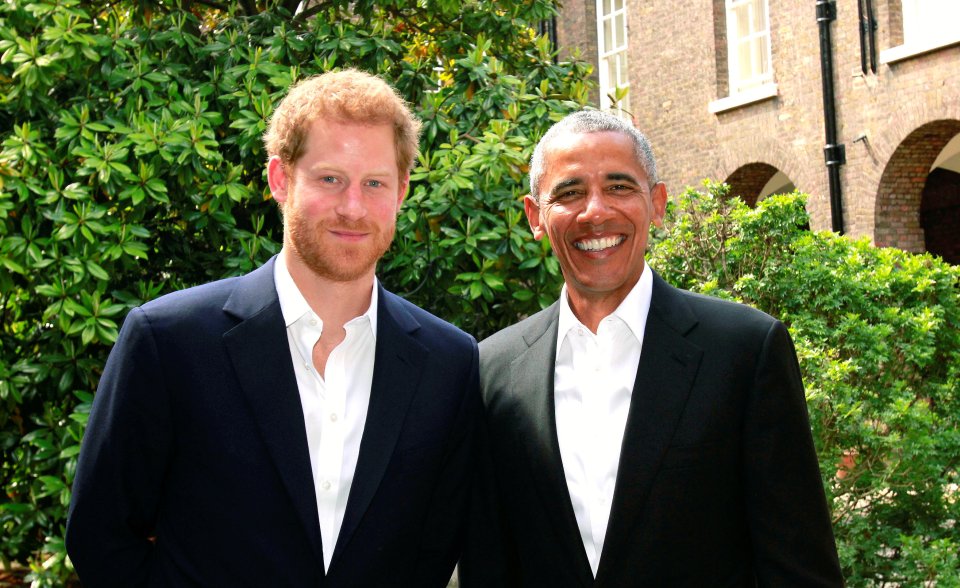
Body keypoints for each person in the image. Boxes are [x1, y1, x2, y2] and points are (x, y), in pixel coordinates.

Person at [66, 69, 480, 587]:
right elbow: (101, 536)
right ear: (280, 179)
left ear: (400, 193)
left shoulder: (449, 363)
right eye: (330, 179)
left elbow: (434, 548)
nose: (353, 207)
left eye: (374, 183)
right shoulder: (168, 341)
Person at [459, 110, 843, 587]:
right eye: (570, 192)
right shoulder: (491, 369)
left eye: (619, 187)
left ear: (657, 204)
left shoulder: (744, 351)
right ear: (536, 216)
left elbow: (799, 568)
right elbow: (489, 566)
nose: (595, 211)